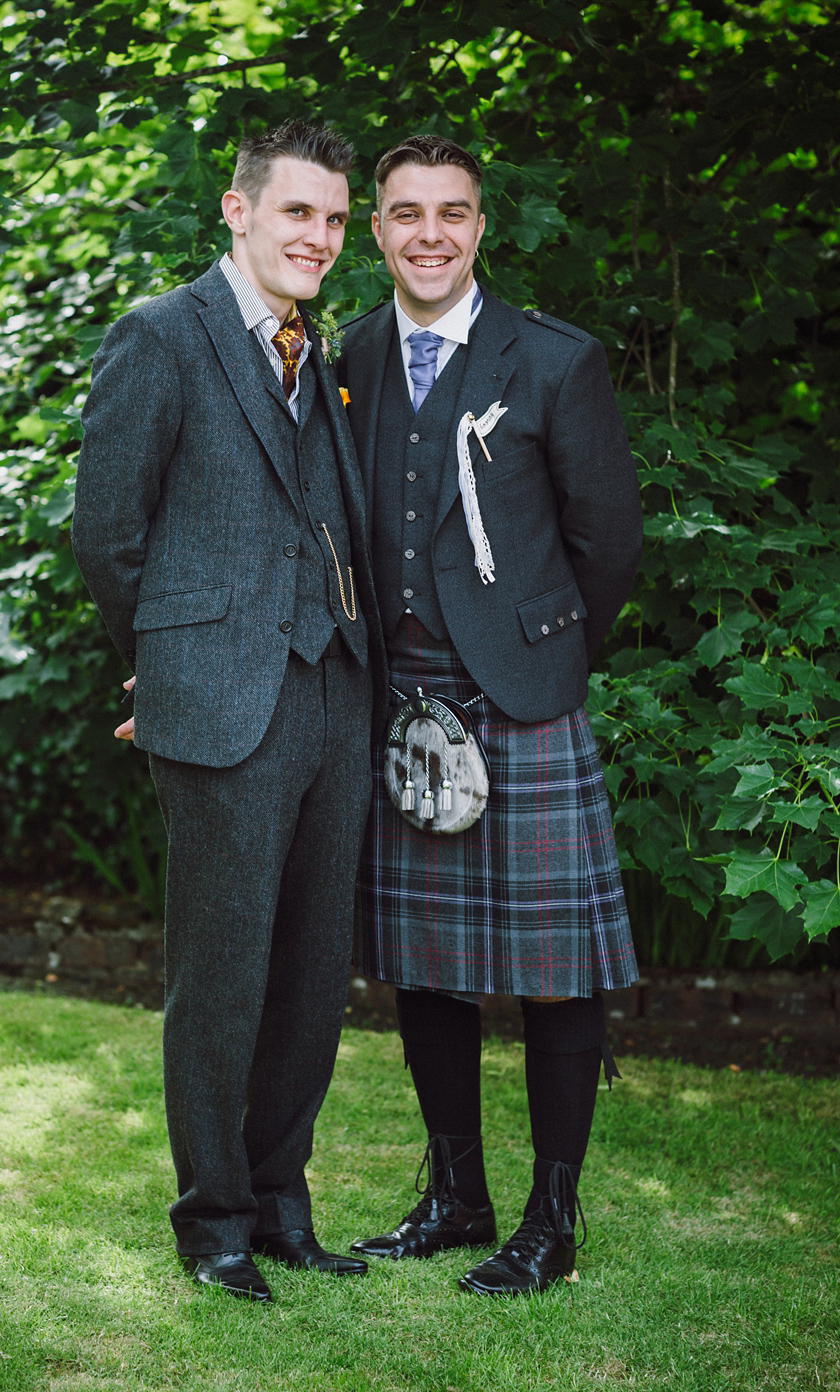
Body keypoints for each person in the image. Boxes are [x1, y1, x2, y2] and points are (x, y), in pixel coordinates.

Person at [72, 120, 386, 1304]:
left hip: (335, 691)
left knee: (313, 971)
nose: (319, 236)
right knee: (223, 972)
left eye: (335, 219)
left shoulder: (332, 352)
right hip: (217, 699)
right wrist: (161, 663)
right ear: (238, 211)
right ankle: (212, 1220)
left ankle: (282, 1200)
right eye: (297, 212)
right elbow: (108, 530)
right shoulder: (162, 336)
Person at [336, 135, 642, 1296]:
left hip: (523, 708)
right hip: (403, 710)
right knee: (428, 963)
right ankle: (456, 1196)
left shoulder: (557, 361)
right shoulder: (350, 356)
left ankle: (551, 1223)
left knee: (557, 972)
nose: (429, 233)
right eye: (405, 213)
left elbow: (606, 541)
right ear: (376, 229)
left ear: (481, 228)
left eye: (451, 213)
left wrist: (541, 661)